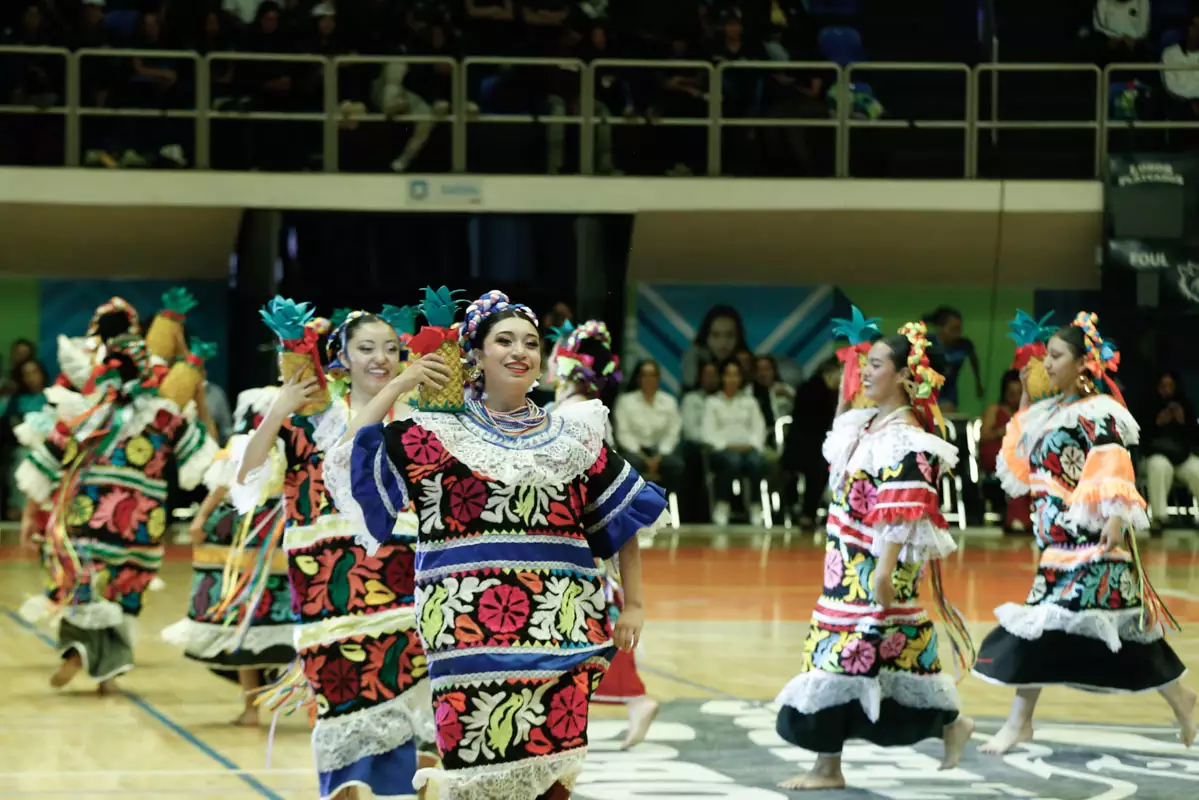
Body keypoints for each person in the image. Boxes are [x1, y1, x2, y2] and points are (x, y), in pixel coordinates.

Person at [332, 289, 668, 800]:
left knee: (554, 772)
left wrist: (636, 604)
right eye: (504, 340)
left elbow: (624, 515)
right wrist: (401, 382)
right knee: (475, 772)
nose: (520, 352)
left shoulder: (573, 436)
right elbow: (352, 450)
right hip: (468, 631)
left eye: (531, 343)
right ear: (476, 354)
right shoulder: (436, 433)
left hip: (562, 628)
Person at [234, 304, 453, 800]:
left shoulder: (420, 423)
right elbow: (246, 479)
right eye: (366, 349)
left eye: (391, 349)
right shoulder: (310, 424)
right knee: (348, 732)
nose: (380, 359)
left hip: (411, 600)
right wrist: (278, 408)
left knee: (421, 742)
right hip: (331, 604)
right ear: (342, 357)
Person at [974, 313, 1194, 754]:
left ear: (1082, 363)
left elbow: (1114, 462)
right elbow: (1019, 466)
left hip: (1094, 544)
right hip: (1058, 546)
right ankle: (1022, 723)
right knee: (1055, 632)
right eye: (1046, 355)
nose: (1047, 363)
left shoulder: (1100, 412)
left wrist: (1115, 519)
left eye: (1056, 356)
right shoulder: (1048, 411)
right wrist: (1023, 404)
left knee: (1118, 634)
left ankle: (1021, 723)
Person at [775, 323, 975, 791]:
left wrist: (884, 571)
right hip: (846, 570)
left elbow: (904, 510)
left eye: (877, 365)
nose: (865, 372)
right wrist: (849, 395)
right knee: (875, 665)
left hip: (874, 571)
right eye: (865, 363)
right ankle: (948, 725)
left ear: (906, 377)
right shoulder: (867, 425)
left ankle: (828, 767)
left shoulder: (907, 438)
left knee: (842, 662)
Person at [15, 333, 218, 692]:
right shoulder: (164, 416)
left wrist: (31, 515)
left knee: (87, 585)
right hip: (141, 525)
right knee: (124, 592)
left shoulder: (87, 410)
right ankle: (107, 671)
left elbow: (46, 462)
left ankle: (82, 653)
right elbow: (206, 453)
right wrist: (198, 397)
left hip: (88, 518)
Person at [549, 321, 661, 751]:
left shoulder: (578, 412)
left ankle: (633, 700)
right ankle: (633, 701)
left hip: (582, 537)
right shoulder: (584, 407)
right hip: (584, 537)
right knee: (603, 628)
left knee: (601, 629)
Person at [161, 385, 295, 727]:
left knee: (256, 625)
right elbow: (223, 484)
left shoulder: (297, 448)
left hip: (277, 536)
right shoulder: (245, 447)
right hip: (251, 539)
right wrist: (202, 518)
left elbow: (222, 486)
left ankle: (263, 708)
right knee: (247, 625)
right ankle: (255, 708)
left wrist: (203, 518)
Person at [702, 358, 767, 526]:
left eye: (735, 375)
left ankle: (755, 506)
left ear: (741, 378)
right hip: (722, 451)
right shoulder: (712, 402)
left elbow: (758, 428)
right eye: (728, 375)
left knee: (756, 461)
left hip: (747, 449)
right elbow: (708, 432)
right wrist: (727, 446)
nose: (732, 379)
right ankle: (723, 505)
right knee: (731, 460)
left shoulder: (749, 402)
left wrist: (751, 444)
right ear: (722, 378)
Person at [781, 356, 839, 530]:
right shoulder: (810, 389)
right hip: (802, 446)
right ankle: (806, 513)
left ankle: (810, 512)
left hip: (819, 444)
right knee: (820, 468)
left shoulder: (833, 392)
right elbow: (812, 423)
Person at [614, 359, 684, 494]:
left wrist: (659, 456)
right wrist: (645, 459)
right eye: (645, 375)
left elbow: (673, 432)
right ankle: (635, 506)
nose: (648, 379)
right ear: (639, 378)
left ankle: (666, 503)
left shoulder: (669, 402)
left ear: (658, 378)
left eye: (652, 375)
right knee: (631, 465)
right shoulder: (625, 401)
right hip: (635, 452)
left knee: (676, 465)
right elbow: (623, 433)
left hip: (661, 452)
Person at [1142, 370, 1199, 533]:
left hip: (1181, 456)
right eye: (1163, 385)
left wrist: (1182, 421)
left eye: (1170, 386)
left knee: (1197, 470)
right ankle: (1159, 519)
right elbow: (1141, 436)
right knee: (1160, 466)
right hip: (1155, 455)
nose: (1167, 389)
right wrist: (1157, 422)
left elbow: (1194, 437)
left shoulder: (1184, 404)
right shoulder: (1148, 404)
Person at [979, 370, 1032, 533]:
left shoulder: (1026, 411)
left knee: (1025, 464)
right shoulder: (995, 409)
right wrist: (1003, 431)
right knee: (1018, 465)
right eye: (1011, 393)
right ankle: (1018, 519)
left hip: (1018, 455)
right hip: (996, 454)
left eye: (1018, 393)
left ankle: (1024, 518)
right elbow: (984, 435)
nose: (1015, 397)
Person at [926, 306, 982, 414]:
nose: (957, 333)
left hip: (949, 391)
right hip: (928, 390)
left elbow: (974, 359)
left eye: (959, 329)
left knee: (948, 414)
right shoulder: (929, 343)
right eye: (953, 329)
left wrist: (978, 382)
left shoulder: (964, 345)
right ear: (941, 328)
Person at [681, 305, 748, 389]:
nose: (723, 343)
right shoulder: (694, 357)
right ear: (706, 336)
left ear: (738, 337)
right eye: (716, 335)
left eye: (730, 335)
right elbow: (688, 384)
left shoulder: (744, 360)